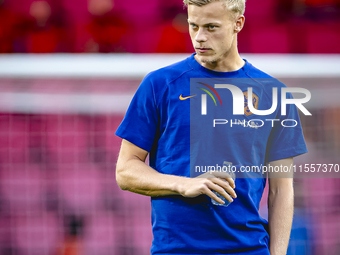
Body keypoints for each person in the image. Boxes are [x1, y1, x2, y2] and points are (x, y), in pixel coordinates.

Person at [115, 0, 308, 254]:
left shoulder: (273, 94)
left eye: (211, 27)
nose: (199, 38)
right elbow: (126, 171)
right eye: (193, 26)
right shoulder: (159, 84)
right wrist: (183, 184)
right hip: (177, 249)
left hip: (249, 248)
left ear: (238, 24)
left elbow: (281, 190)